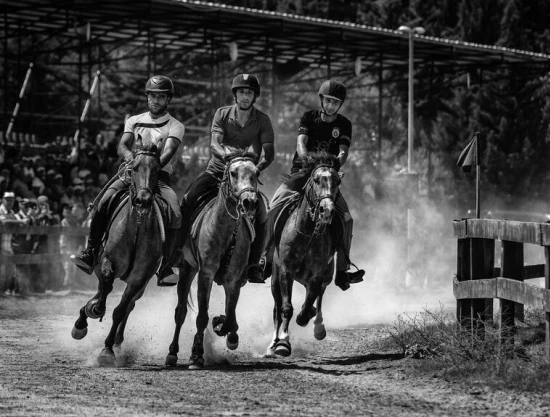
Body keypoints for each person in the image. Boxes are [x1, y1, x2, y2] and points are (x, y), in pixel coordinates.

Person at [70, 75, 185, 286]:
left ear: (168, 99)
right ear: (147, 97)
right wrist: (129, 156)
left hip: (158, 177)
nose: (156, 101)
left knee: (176, 213)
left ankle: (167, 265)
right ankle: (90, 252)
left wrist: (152, 163)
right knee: (102, 202)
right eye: (152, 96)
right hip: (131, 173)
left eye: (161, 97)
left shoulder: (175, 125)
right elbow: (122, 144)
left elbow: (169, 150)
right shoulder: (133, 120)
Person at [172, 73, 274, 283]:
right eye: (241, 92)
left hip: (245, 177)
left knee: (263, 214)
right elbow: (214, 144)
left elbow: (269, 151)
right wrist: (227, 157)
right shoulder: (222, 113)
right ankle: (176, 253)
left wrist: (256, 168)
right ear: (235, 95)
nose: (245, 96)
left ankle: (254, 265)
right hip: (217, 170)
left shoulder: (263, 120)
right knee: (188, 201)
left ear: (255, 97)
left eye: (249, 93)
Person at [267, 79, 364, 291]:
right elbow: (301, 143)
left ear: (340, 105)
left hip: (327, 178)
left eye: (335, 102)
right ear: (321, 100)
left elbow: (344, 151)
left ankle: (342, 270)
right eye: (328, 101)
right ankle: (264, 260)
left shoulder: (344, 124)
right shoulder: (308, 117)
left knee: (346, 218)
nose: (330, 105)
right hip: (302, 174)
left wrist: (337, 162)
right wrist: (307, 161)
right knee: (273, 208)